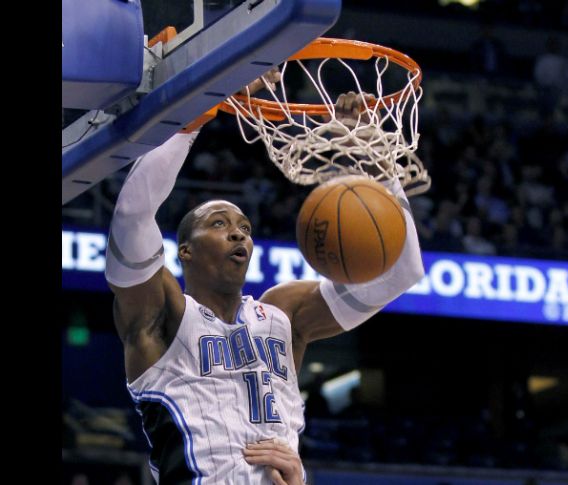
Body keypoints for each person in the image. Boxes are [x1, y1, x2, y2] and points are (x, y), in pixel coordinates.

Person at [104, 77, 425, 484]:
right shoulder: (163, 315)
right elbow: (133, 213)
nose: (239, 233)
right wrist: (204, 99)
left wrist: (369, 155)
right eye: (219, 224)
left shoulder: (281, 315)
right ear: (184, 250)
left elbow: (401, 271)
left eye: (245, 226)